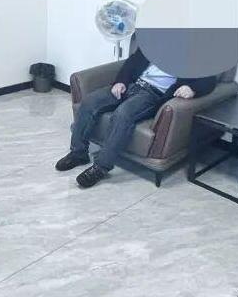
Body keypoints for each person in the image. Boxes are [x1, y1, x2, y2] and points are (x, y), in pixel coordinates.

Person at [56, 42, 218, 188]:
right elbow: (132, 62)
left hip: (152, 94)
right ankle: (78, 153)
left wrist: (192, 89)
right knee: (90, 102)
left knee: (122, 114)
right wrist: (121, 81)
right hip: (131, 84)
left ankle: (101, 167)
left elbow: (209, 79)